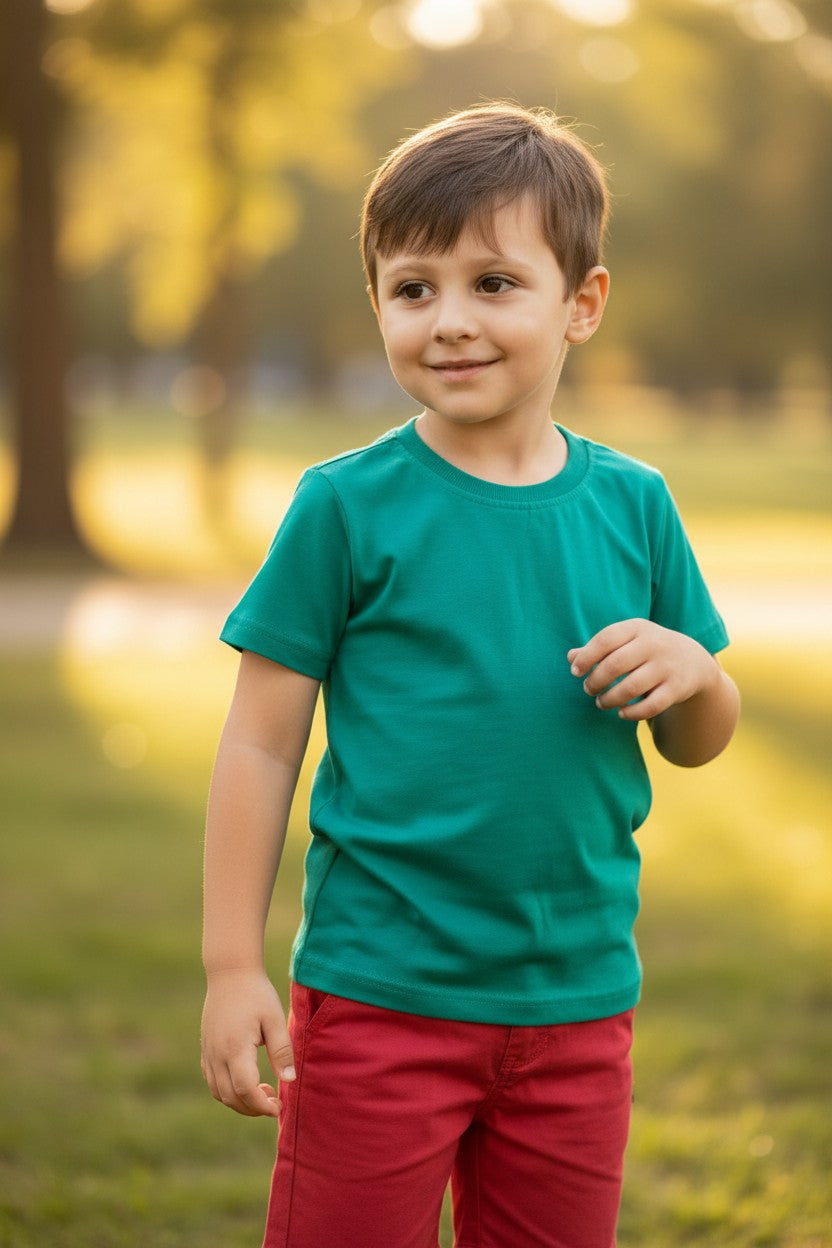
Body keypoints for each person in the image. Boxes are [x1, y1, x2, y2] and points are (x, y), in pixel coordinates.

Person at [200, 102, 740, 1248]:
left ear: (580, 304)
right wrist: (230, 963)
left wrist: (693, 675)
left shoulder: (633, 505)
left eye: (494, 283)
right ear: (380, 306)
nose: (448, 322)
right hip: (379, 999)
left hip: (577, 1005)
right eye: (413, 289)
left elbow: (698, 737)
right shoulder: (346, 507)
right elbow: (259, 740)